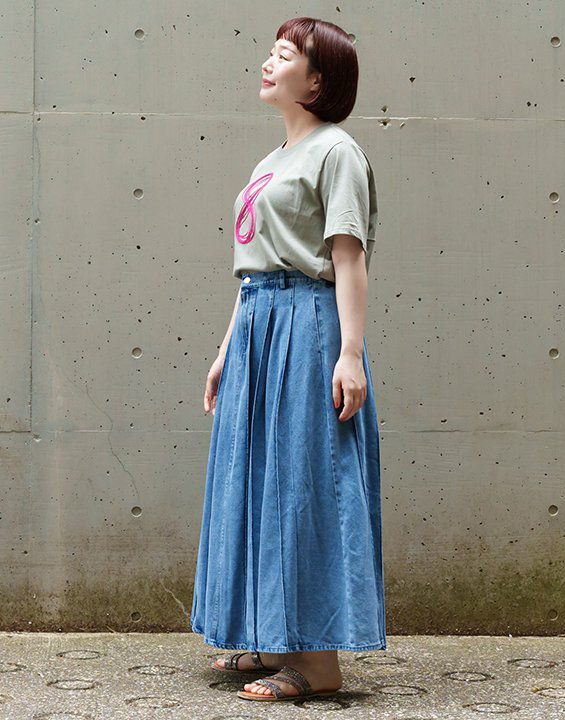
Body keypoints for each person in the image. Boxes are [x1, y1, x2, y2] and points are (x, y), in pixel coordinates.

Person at [190, 16, 386, 702]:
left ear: (319, 80)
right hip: (258, 327)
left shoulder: (338, 152)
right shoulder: (270, 161)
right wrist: (226, 350)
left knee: (306, 481)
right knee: (259, 480)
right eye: (270, 52)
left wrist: (350, 353)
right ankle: (275, 639)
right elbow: (253, 270)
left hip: (307, 327)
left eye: (284, 55)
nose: (267, 63)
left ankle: (318, 663)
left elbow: (348, 258)